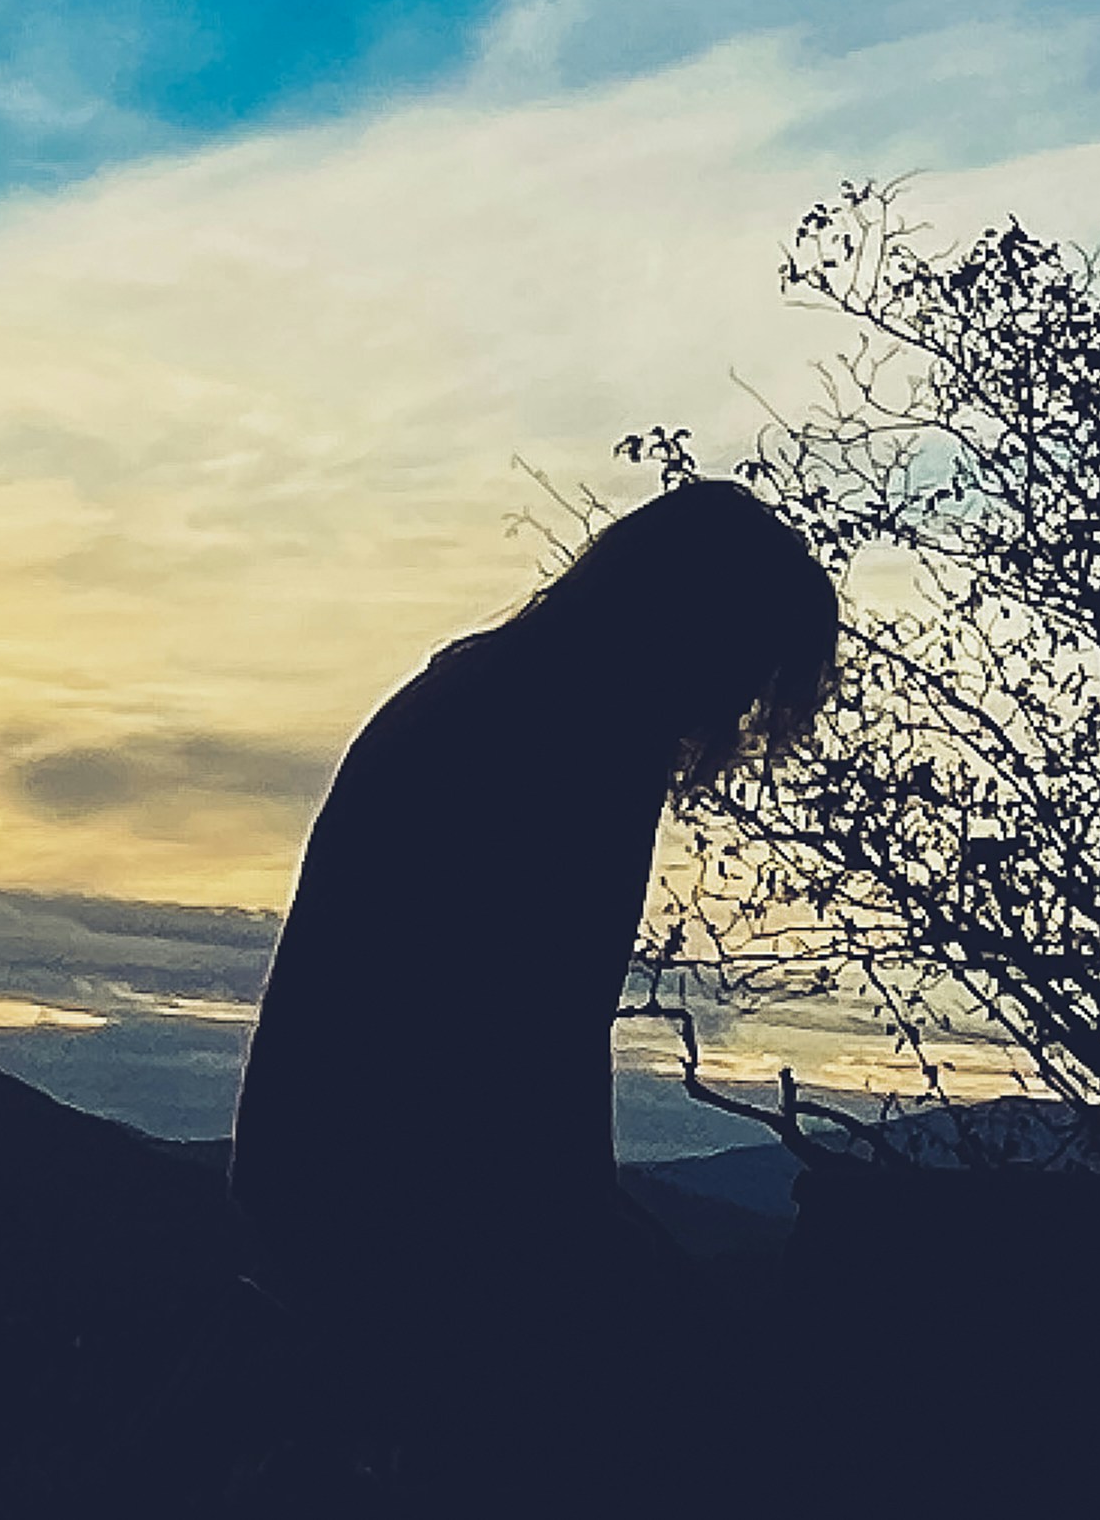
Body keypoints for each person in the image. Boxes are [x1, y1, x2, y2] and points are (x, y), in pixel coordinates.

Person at [230, 478, 838, 1490]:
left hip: (332, 1168)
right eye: (745, 668)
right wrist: (582, 1249)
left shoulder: (493, 695)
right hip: (404, 1191)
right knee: (718, 1424)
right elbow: (540, 1039)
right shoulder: (581, 741)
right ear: (692, 624)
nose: (736, 706)